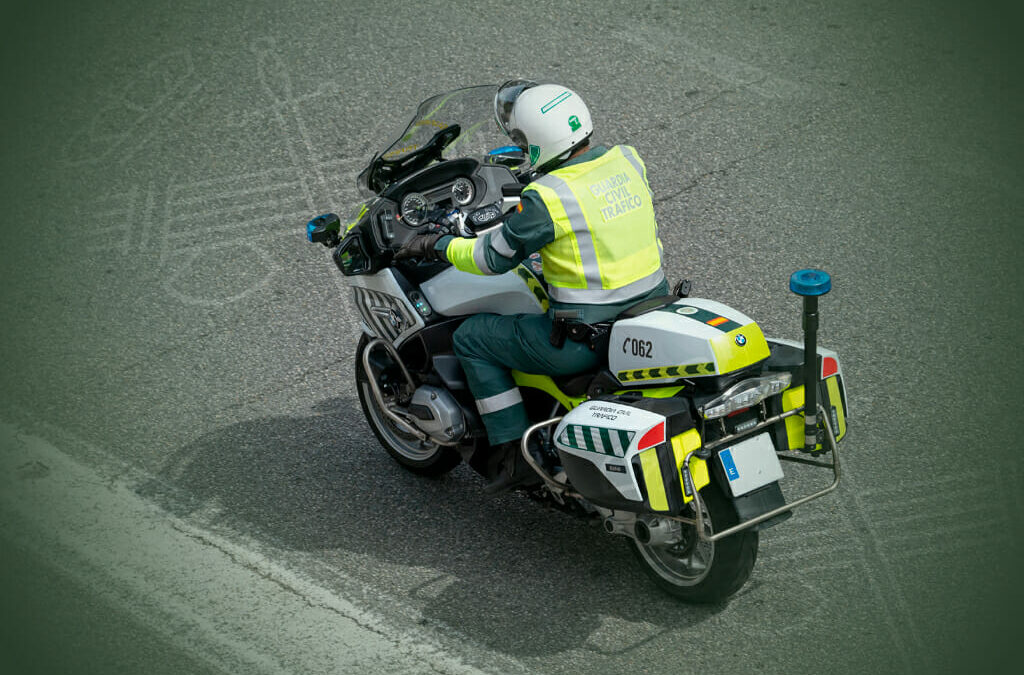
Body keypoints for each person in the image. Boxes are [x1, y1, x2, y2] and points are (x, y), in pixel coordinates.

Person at [396, 80, 668, 491]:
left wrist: (440, 244)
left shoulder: (549, 197)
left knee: (473, 337)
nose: (522, 149)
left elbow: (490, 258)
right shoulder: (628, 160)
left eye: (522, 141)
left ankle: (511, 452)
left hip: (580, 342)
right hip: (648, 311)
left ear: (539, 140)